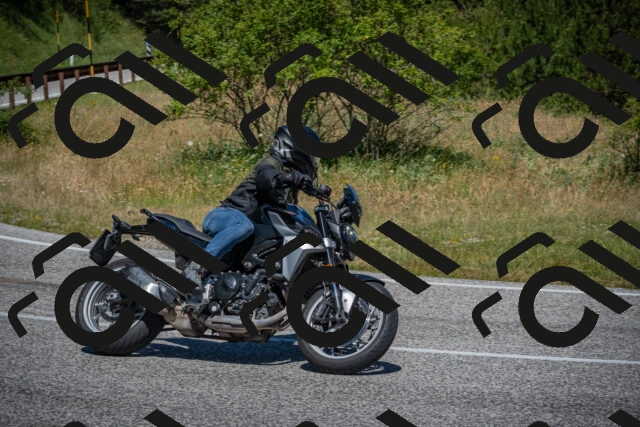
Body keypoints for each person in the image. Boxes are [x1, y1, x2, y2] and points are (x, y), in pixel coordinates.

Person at [184, 124, 321, 283]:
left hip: (247, 234)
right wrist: (284, 178)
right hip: (224, 216)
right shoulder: (273, 163)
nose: (313, 160)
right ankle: (198, 266)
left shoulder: (291, 186)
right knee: (243, 225)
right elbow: (266, 176)